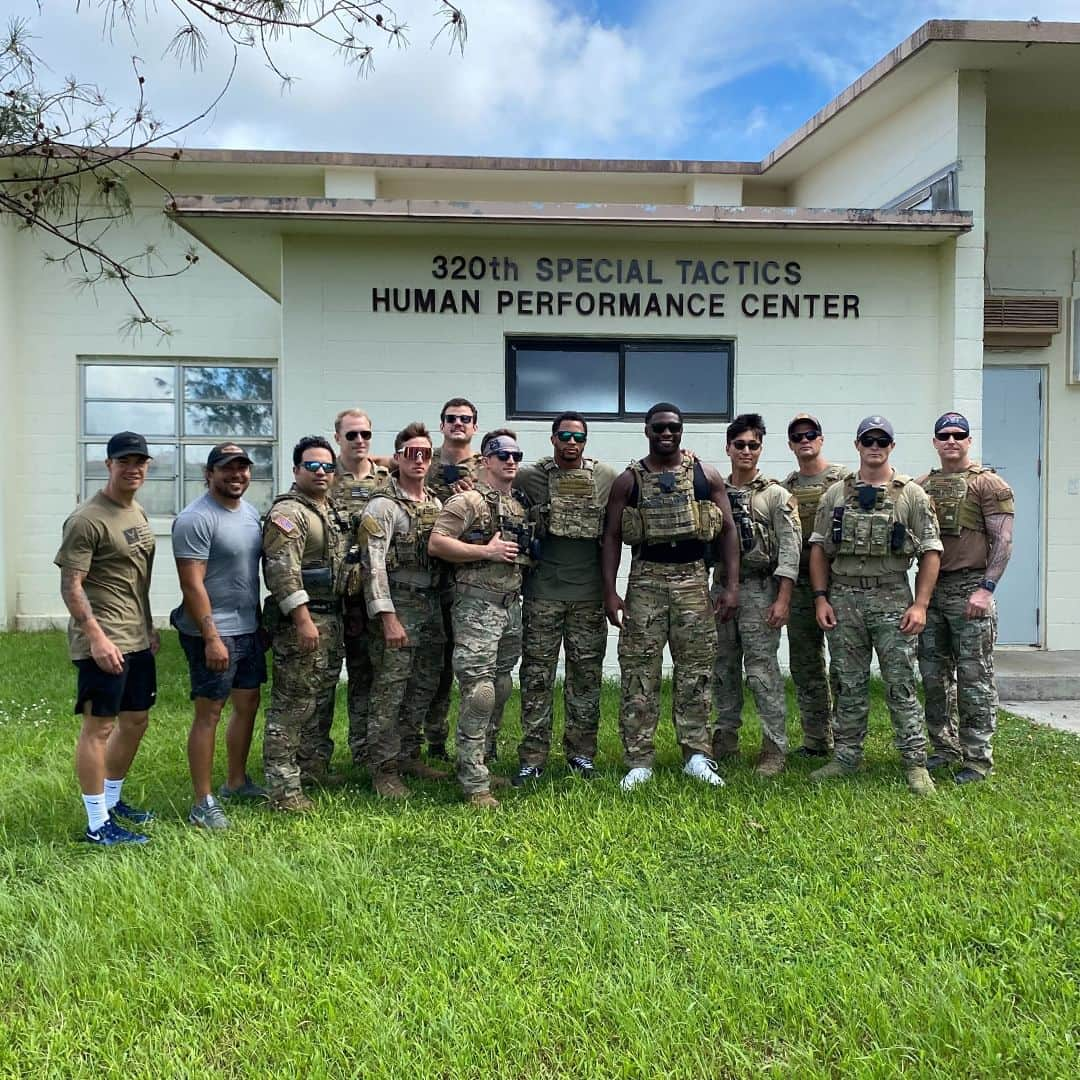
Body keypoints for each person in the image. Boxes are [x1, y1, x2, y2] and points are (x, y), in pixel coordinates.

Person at [602, 402, 739, 791]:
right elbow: (611, 537)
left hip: (694, 581)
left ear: (682, 430)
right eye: (659, 427)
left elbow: (728, 530)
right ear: (647, 430)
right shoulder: (629, 481)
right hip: (645, 580)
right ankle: (639, 760)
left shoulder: (705, 474)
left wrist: (731, 585)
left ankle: (697, 755)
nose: (667, 433)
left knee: (696, 671)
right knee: (638, 671)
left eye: (674, 427)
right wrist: (610, 592)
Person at [808, 415, 943, 795]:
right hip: (845, 596)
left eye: (882, 441)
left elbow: (931, 551)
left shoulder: (911, 495)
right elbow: (818, 548)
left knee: (900, 682)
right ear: (857, 446)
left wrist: (920, 604)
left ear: (891, 447)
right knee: (848, 682)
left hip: (892, 597)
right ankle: (847, 755)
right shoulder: (836, 493)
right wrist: (821, 597)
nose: (875, 447)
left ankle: (915, 762)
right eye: (868, 440)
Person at [55, 431, 159, 845]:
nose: (132, 468)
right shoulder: (86, 519)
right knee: (99, 728)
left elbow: (139, 580)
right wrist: (96, 638)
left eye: (140, 461)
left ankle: (113, 801)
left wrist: (148, 625)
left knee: (136, 720)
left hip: (135, 634)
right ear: (109, 464)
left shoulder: (137, 512)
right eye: (124, 461)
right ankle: (97, 824)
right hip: (103, 639)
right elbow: (71, 585)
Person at [428, 429, 532, 809]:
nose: (510, 462)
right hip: (476, 606)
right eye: (502, 455)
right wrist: (484, 551)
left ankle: (481, 761)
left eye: (515, 456)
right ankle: (473, 782)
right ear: (485, 460)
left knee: (501, 686)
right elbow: (437, 543)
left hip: (509, 606)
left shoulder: (518, 504)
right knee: (480, 691)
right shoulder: (466, 501)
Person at [513, 412, 616, 785]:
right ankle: (533, 758)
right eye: (564, 436)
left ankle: (581, 754)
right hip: (542, 595)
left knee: (585, 680)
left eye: (578, 437)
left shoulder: (605, 476)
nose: (572, 443)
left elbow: (642, 486)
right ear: (552, 438)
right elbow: (487, 476)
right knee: (537, 678)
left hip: (588, 597)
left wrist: (689, 459)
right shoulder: (529, 476)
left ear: (585, 442)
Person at [172, 443, 267, 830]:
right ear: (209, 473)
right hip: (211, 631)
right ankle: (202, 802)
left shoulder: (250, 514)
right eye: (227, 468)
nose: (236, 475)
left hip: (247, 628)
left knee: (248, 703)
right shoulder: (195, 519)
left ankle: (236, 781)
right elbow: (192, 585)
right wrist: (211, 637)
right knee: (209, 712)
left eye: (242, 468)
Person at [917, 411, 1014, 782]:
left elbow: (1003, 540)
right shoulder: (924, 485)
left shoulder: (989, 484)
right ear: (936, 441)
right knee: (933, 676)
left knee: (974, 677)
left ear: (969, 440)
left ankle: (977, 758)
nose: (952, 441)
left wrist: (985, 589)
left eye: (959, 434)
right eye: (945, 435)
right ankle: (944, 747)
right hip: (933, 590)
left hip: (971, 589)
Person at [358, 422, 449, 798]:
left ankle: (410, 755)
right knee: (389, 690)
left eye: (425, 454)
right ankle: (382, 769)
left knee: (423, 686)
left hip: (430, 606)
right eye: (411, 453)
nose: (419, 460)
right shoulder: (382, 506)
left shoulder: (436, 504)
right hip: (399, 602)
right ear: (397, 457)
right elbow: (372, 564)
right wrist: (387, 617)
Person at [712, 414, 802, 777]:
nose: (746, 451)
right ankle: (725, 736)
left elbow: (791, 550)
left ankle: (774, 747)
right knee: (723, 668)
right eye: (739, 445)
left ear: (761, 449)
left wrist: (783, 598)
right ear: (728, 448)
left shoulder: (776, 495)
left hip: (761, 589)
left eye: (753, 445)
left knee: (762, 672)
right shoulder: (714, 491)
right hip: (722, 589)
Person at [261, 436, 346, 812]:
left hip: (332, 617)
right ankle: (283, 788)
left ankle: (312, 767)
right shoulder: (289, 514)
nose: (322, 472)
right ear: (296, 470)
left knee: (320, 698)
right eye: (313, 466)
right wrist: (301, 619)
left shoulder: (328, 509)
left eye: (328, 466)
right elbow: (282, 572)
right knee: (292, 703)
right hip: (305, 621)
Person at [422, 397, 484, 761]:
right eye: (451, 419)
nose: (458, 424)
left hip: (468, 579)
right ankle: (431, 740)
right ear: (441, 424)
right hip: (425, 578)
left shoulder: (485, 467)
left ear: (475, 426)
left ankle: (471, 744)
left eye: (465, 419)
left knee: (468, 665)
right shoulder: (421, 463)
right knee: (432, 664)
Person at [330, 408, 390, 772]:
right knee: (335, 676)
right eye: (351, 435)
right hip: (337, 594)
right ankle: (324, 755)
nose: (359, 441)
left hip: (376, 592)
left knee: (375, 672)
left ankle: (372, 750)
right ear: (338, 437)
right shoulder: (325, 476)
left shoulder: (386, 479)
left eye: (365, 434)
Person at [782, 413, 846, 756]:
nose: (805, 440)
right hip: (801, 584)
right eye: (798, 436)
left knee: (843, 665)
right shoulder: (786, 488)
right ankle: (816, 739)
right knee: (806, 664)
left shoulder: (844, 481)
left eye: (811, 434)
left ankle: (846, 740)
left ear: (821, 439)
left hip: (841, 585)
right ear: (791, 444)